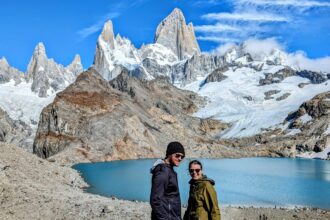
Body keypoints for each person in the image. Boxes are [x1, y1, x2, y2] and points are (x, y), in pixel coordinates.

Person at [150, 141, 185, 220]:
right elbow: (155, 200)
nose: (180, 158)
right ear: (169, 154)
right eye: (177, 155)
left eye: (182, 157)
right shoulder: (163, 171)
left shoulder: (169, 170)